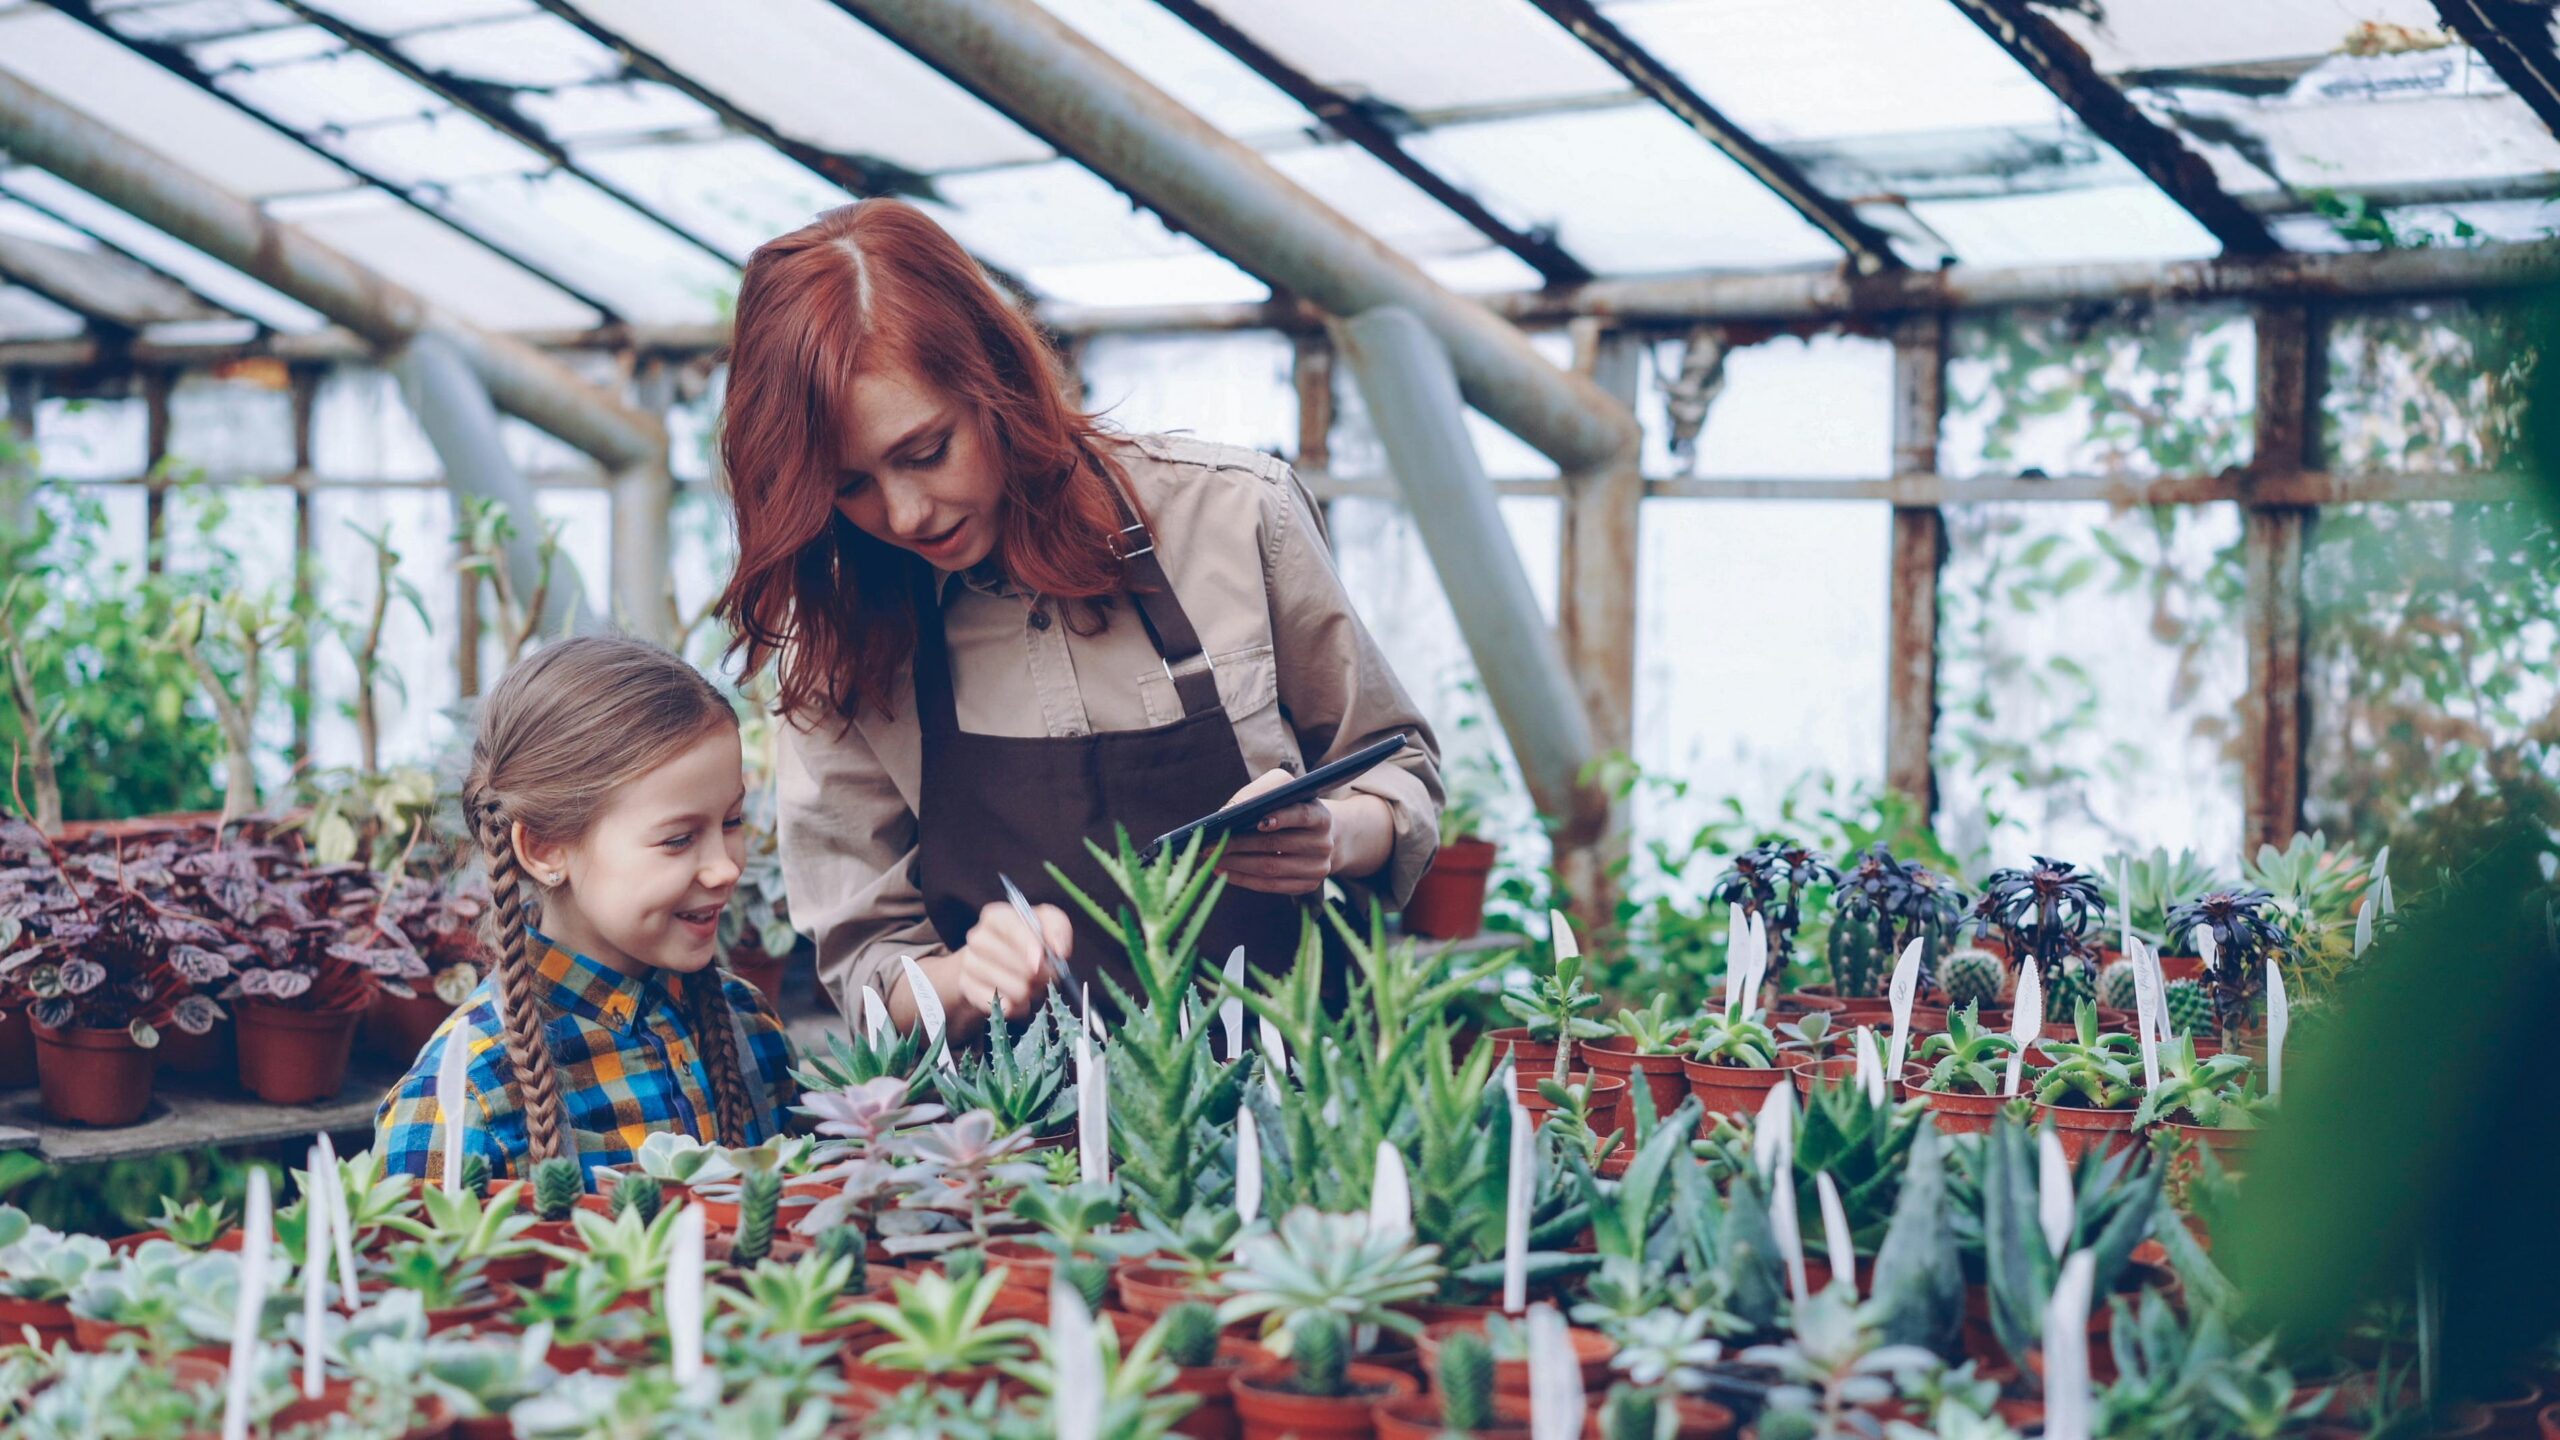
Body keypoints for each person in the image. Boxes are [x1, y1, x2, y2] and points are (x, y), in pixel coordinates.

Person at [717, 199, 1444, 1035]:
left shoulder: (1235, 517)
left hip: (1289, 1088)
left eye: (927, 452)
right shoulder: (843, 641)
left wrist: (1336, 832)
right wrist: (964, 978)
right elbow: (866, 967)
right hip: (1018, 1116)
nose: (907, 513)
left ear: (998, 382)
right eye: (851, 486)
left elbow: (1400, 772)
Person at [376, 637, 796, 1185]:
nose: (725, 868)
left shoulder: (749, 1029)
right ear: (545, 850)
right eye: (678, 839)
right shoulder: (464, 1098)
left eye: (732, 821)